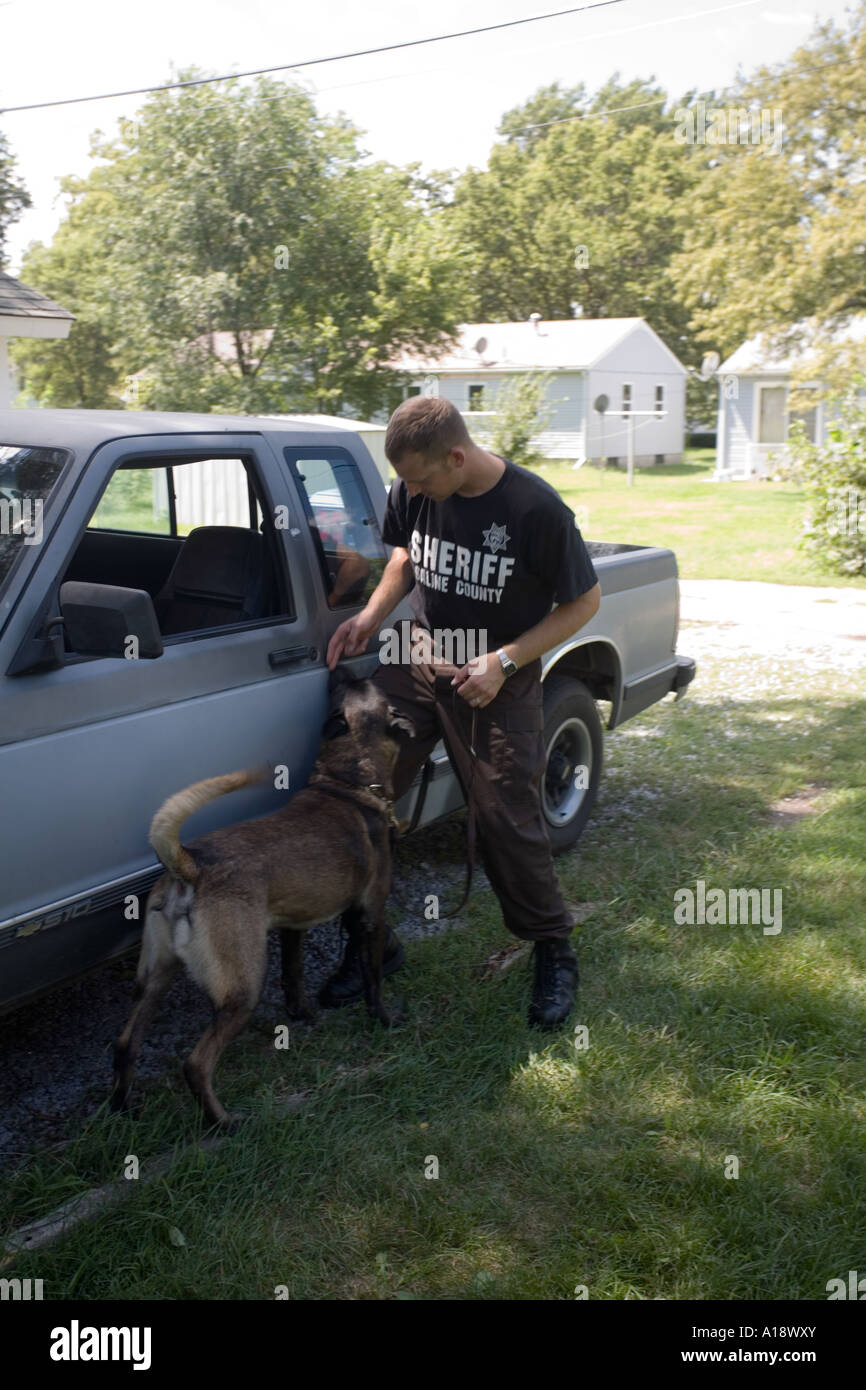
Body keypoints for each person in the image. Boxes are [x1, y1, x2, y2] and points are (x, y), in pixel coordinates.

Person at [322, 395, 601, 1029]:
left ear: (456, 455)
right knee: (355, 789)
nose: (411, 490)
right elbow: (405, 555)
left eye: (421, 478)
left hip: (494, 675)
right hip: (419, 657)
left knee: (506, 814)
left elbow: (583, 603)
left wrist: (504, 660)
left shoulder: (536, 509)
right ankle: (373, 945)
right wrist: (370, 617)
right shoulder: (416, 488)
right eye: (406, 481)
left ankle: (554, 949)